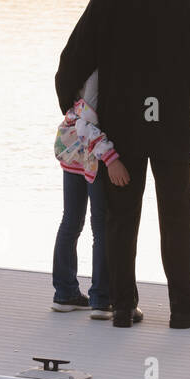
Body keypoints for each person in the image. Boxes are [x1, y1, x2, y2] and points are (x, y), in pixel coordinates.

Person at [55, 0, 190, 329]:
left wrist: (79, 115)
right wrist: (183, 107)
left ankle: (122, 309)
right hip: (171, 127)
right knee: (177, 218)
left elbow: (71, 62)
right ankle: (183, 310)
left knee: (120, 219)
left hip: (120, 127)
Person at [51, 69, 130, 318]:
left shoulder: (78, 65)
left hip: (72, 154)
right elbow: (87, 123)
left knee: (71, 222)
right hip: (90, 158)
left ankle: (65, 293)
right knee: (101, 227)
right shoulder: (97, 74)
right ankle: (100, 298)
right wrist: (112, 158)